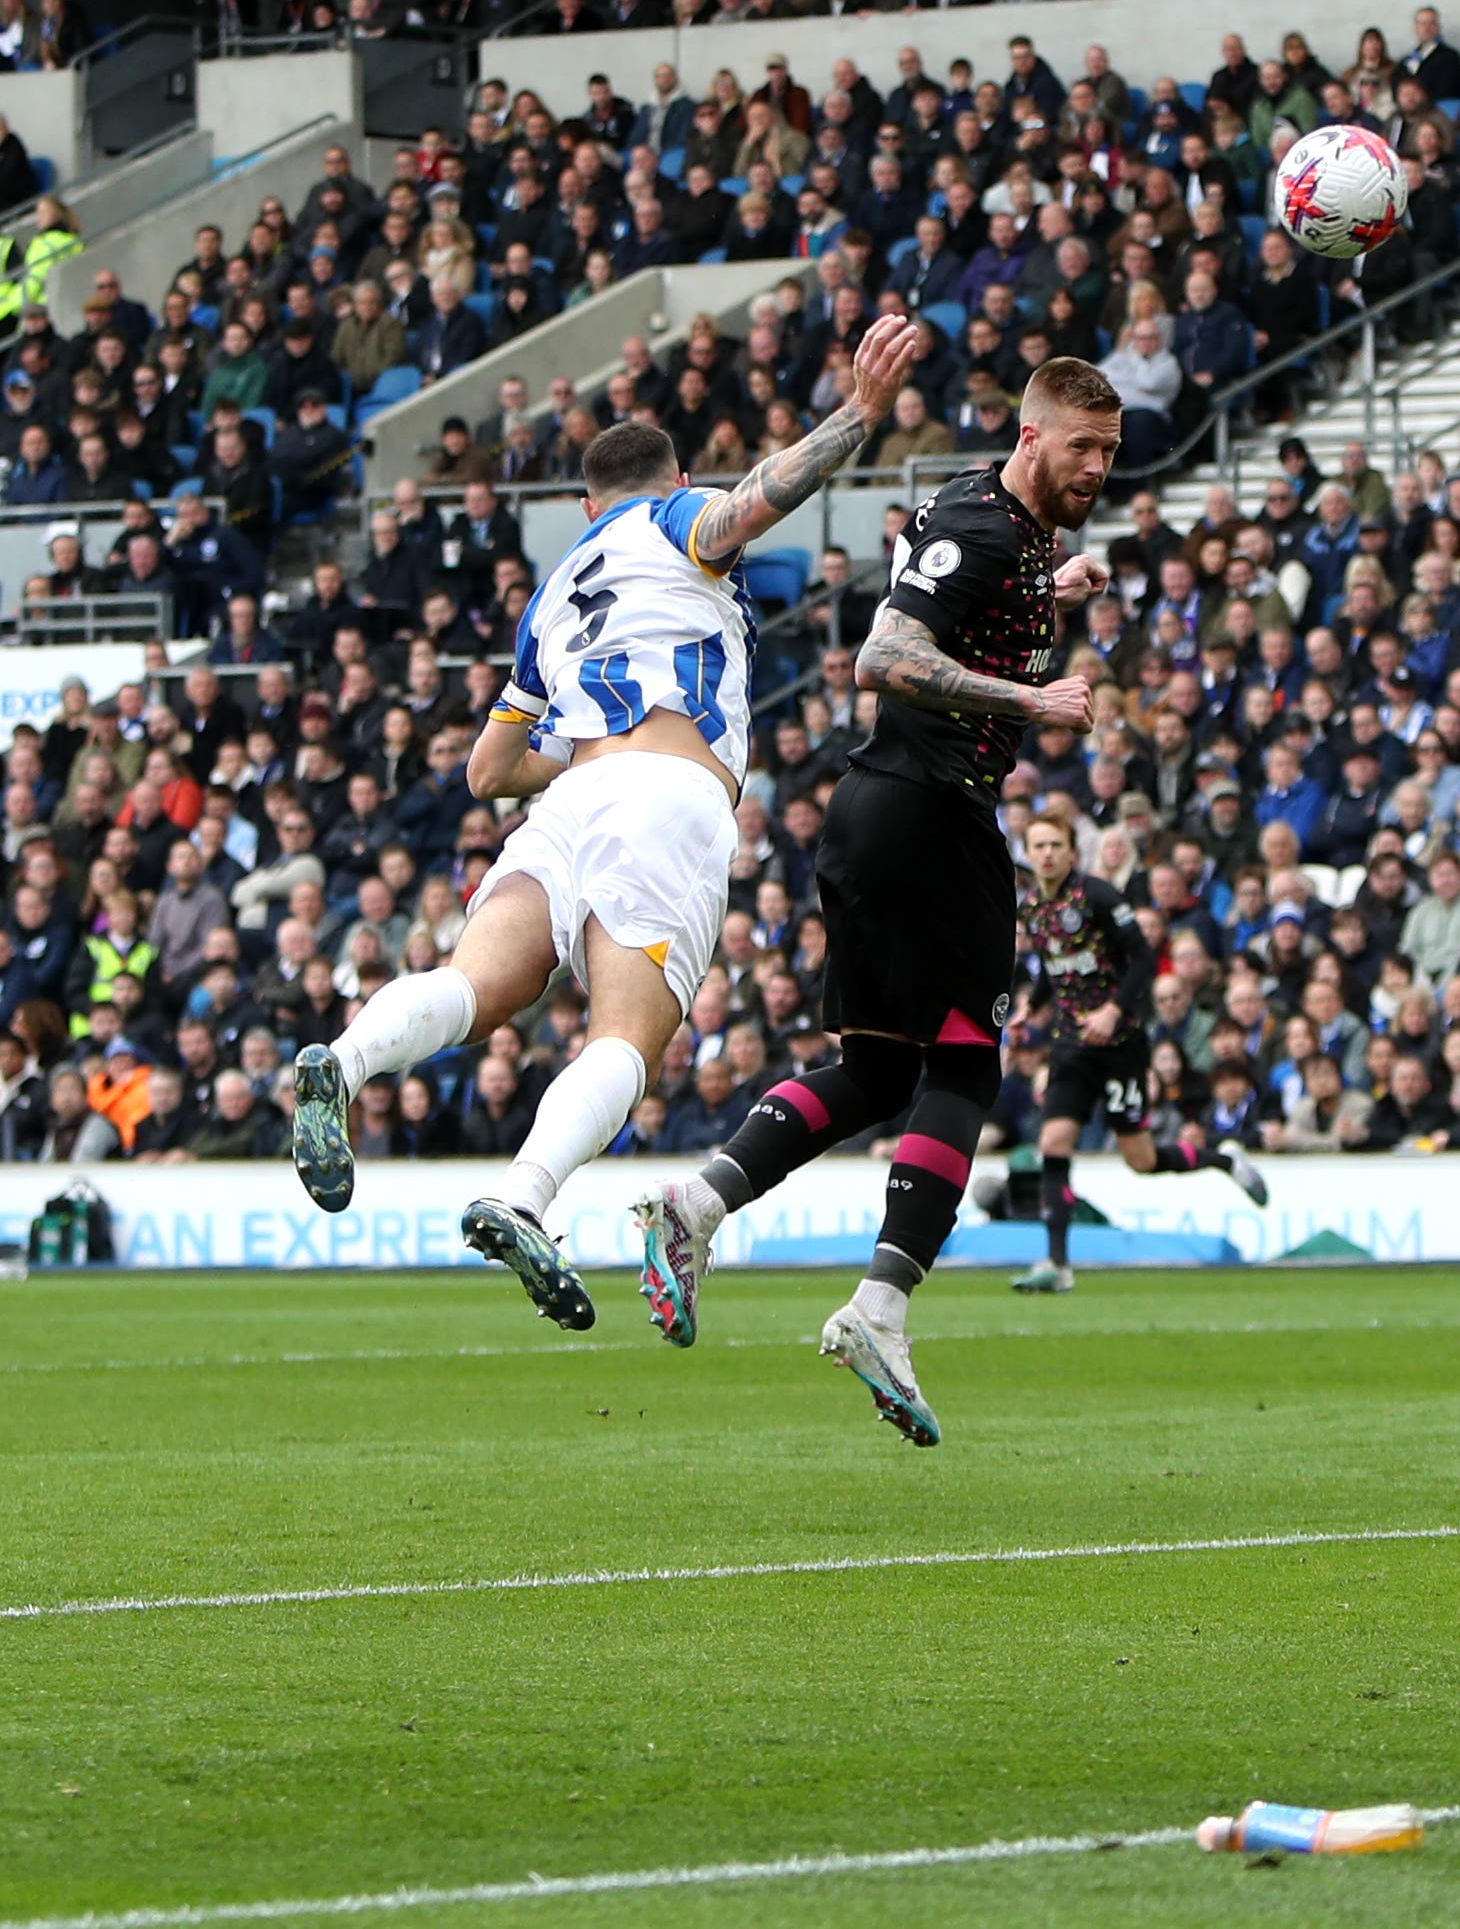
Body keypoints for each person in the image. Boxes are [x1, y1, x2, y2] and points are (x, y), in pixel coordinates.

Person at [630, 361, 1227, 1444]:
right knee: (964, 1067)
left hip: (880, 811)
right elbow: (884, 653)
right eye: (1082, 447)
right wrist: (1029, 696)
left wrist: (1059, 594)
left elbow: (962, 601)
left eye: (1112, 448)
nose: (1101, 466)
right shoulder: (994, 532)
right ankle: (880, 1308)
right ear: (1031, 435)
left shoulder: (998, 522)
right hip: (929, 810)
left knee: (878, 1068)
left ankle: (698, 1203)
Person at [285, 313, 918, 1328]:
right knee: (627, 1035)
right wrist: (860, 414)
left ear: (584, 503)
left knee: (472, 986)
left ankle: (346, 1062)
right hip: (667, 797)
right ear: (668, 482)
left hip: (567, 797)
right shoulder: (671, 523)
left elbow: (489, 769)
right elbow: (751, 506)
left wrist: (574, 751)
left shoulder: (550, 597)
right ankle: (522, 1195)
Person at [1001, 808, 1250, 1293]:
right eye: (1039, 846)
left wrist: (1114, 1009)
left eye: (1056, 845)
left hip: (1120, 1047)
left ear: (1072, 851)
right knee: (1053, 1143)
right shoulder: (1032, 909)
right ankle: (1057, 1264)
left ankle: (1222, 1160)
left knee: (1141, 1160)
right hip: (1071, 1046)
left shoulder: (1097, 895)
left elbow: (1140, 959)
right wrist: (1033, 1007)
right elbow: (1058, 970)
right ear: (1027, 854)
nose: (1048, 854)